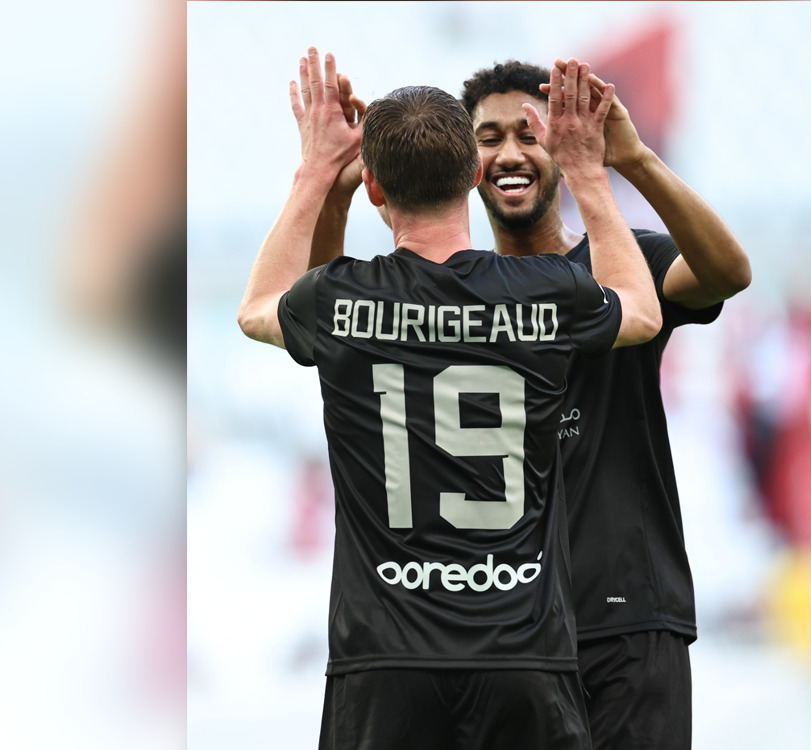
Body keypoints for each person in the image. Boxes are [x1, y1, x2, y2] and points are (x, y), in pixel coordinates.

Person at [311, 58, 751, 749]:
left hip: (622, 614)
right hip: (504, 631)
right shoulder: (455, 300)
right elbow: (324, 310)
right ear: (463, 164)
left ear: (565, 143)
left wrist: (630, 160)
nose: (512, 152)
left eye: (531, 132)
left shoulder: (618, 265)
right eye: (488, 137)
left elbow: (728, 272)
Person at [238, 49, 662, 750]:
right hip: (520, 653)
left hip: (384, 660)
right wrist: (587, 171)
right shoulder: (545, 289)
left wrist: (317, 173)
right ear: (474, 176)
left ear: (374, 188)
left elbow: (259, 306)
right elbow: (641, 313)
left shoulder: (341, 298)